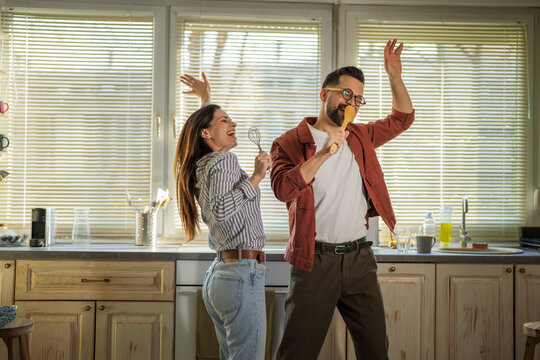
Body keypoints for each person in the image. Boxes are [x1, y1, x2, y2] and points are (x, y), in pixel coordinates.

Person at [270, 39, 414, 360]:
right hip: (314, 262)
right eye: (345, 94)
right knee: (297, 353)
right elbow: (282, 189)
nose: (351, 103)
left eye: (358, 99)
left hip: (360, 260)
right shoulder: (289, 143)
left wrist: (394, 76)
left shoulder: (360, 135)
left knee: (376, 352)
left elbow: (402, 119)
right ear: (325, 95)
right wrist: (322, 154)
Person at [174, 73, 272, 360]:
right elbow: (218, 212)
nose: (234, 124)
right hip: (241, 272)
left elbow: (202, 130)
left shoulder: (203, 164)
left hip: (222, 276)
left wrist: (206, 101)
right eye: (225, 120)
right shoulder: (224, 160)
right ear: (206, 134)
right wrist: (255, 177)